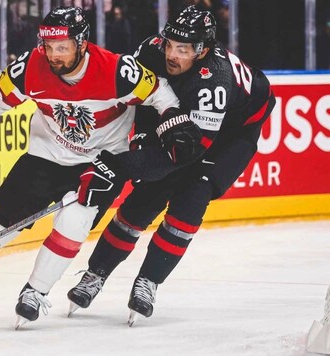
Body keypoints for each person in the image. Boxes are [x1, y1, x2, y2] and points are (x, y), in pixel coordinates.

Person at [0, 6, 190, 328]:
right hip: (46, 156)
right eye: (48, 46)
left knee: (73, 222)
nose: (53, 55)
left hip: (100, 162)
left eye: (62, 48)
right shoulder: (30, 67)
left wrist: (171, 117)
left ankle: (35, 292)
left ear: (81, 43)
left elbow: (160, 91)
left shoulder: (117, 71)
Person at [67, 5, 276, 326]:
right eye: (169, 45)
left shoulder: (213, 82)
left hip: (231, 133)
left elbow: (186, 155)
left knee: (192, 195)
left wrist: (122, 166)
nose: (171, 54)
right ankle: (95, 274)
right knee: (145, 195)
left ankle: (149, 281)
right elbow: (124, 100)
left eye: (182, 49)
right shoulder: (150, 51)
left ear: (202, 50)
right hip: (177, 110)